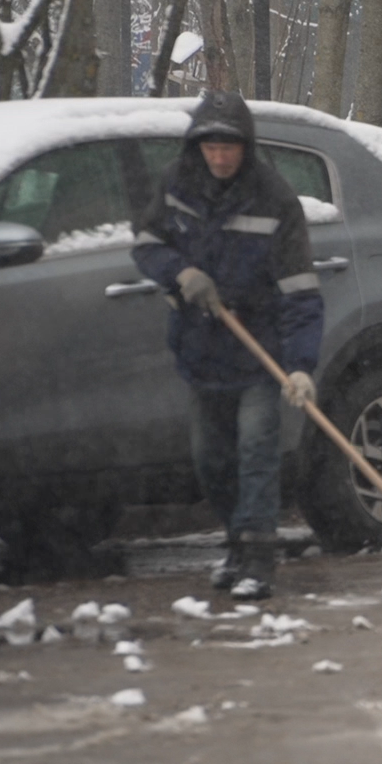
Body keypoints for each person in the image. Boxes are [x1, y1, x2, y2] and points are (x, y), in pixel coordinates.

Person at [133, 91, 324, 601]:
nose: (219, 157)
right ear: (198, 145)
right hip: (201, 350)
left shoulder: (274, 200)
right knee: (211, 461)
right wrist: (182, 274)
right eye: (211, 147)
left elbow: (301, 291)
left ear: (246, 147)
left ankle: (259, 559)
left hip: (260, 351)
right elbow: (147, 244)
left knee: (256, 452)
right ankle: (237, 545)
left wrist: (302, 365)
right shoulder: (178, 184)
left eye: (229, 148)